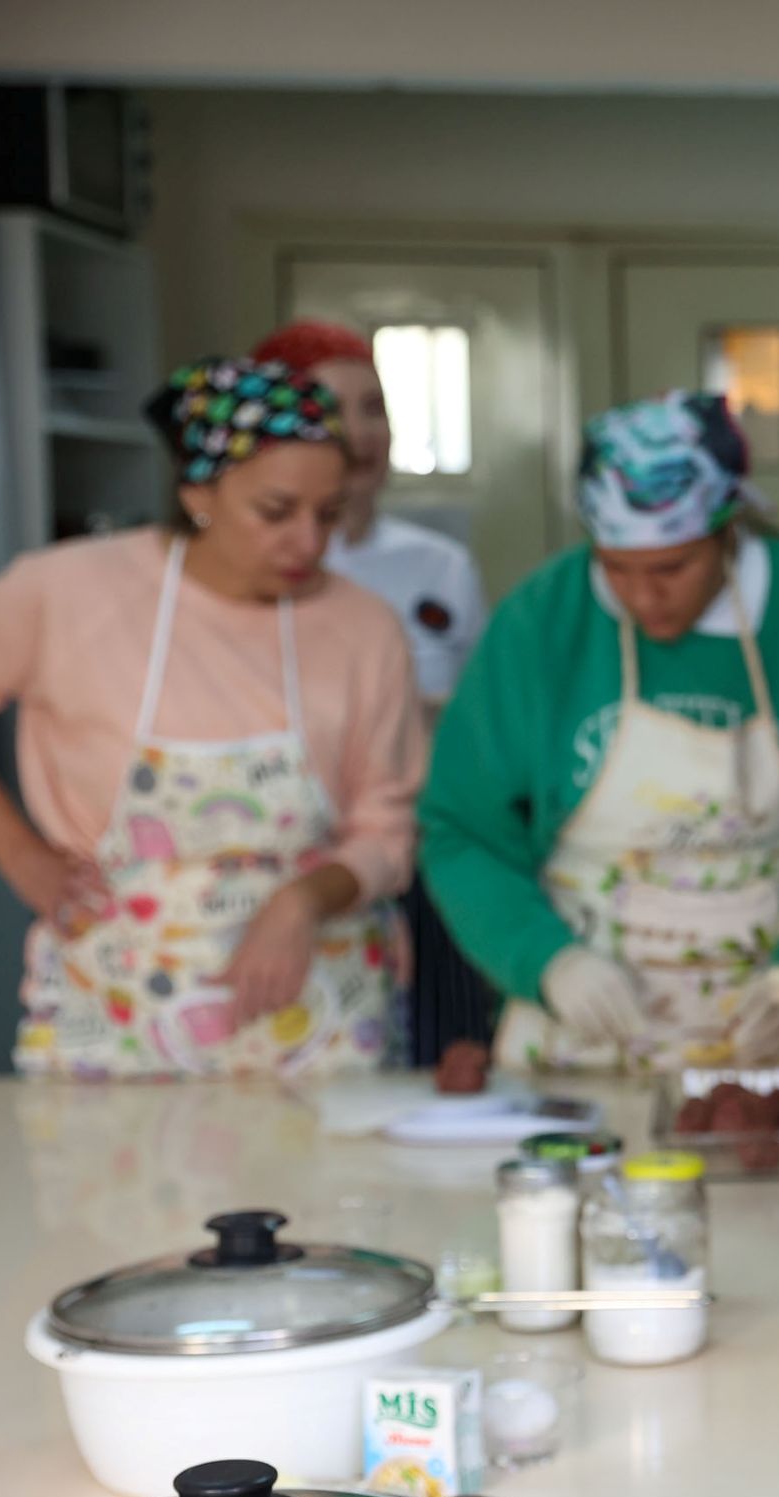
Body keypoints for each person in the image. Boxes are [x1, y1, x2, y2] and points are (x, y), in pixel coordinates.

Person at [420, 391, 779, 1072]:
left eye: (672, 568)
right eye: (615, 569)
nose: (644, 597)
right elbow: (461, 830)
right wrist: (546, 960)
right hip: (581, 1033)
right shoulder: (541, 624)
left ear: (728, 529)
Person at [0, 356, 423, 1076]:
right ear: (198, 493)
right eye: (276, 512)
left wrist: (303, 902)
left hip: (319, 1017)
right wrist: (20, 855)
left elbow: (387, 829)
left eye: (330, 513)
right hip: (119, 1004)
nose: (309, 544)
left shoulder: (364, 629)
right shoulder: (64, 592)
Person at [252, 318, 497, 1065]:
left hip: (430, 861)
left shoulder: (440, 565)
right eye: (332, 408)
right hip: (296, 866)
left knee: (441, 1059)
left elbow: (484, 721)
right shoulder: (256, 570)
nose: (359, 434)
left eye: (375, 409)